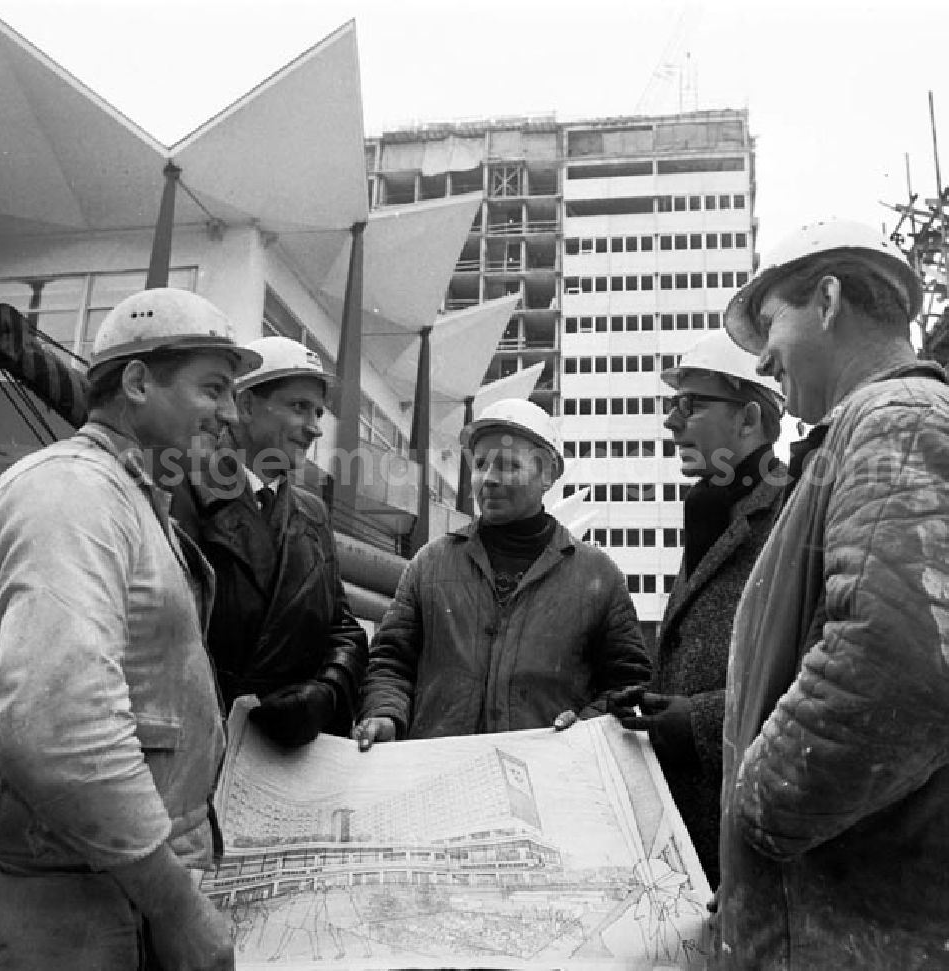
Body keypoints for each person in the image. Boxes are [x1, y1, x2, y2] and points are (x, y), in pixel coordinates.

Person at [0, 287, 262, 969]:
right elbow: (57, 729)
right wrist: (178, 907)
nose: (231, 415)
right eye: (214, 388)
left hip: (98, 888)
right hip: (39, 909)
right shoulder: (71, 495)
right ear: (139, 381)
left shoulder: (134, 503)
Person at [714, 218, 949, 969]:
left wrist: (758, 810)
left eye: (771, 321)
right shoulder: (865, 432)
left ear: (827, 297)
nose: (760, 356)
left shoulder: (896, 423)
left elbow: (897, 662)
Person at [354, 398, 651, 749]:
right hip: (443, 779)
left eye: (509, 466)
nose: (489, 479)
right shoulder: (430, 564)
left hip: (547, 783)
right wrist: (386, 713)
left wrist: (587, 726)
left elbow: (627, 685)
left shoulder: (597, 577)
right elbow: (390, 661)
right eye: (481, 464)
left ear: (548, 476)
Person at [607, 331, 786, 889]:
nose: (671, 422)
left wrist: (701, 721)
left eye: (691, 405)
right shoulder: (712, 511)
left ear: (749, 420)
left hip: (760, 832)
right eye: (671, 406)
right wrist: (659, 697)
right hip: (702, 832)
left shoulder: (793, 516)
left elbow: (829, 672)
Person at [172, 335, 368, 746]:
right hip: (204, 747)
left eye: (317, 412)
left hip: (281, 757)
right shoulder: (181, 492)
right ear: (244, 406)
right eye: (299, 407)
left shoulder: (312, 514)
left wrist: (327, 693)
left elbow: (343, 630)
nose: (314, 427)